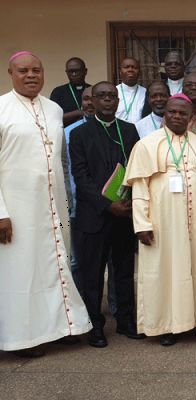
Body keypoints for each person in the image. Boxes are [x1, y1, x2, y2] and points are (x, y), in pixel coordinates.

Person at [0, 51, 91, 358]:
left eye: (36, 70)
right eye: (23, 70)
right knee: (22, 273)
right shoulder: (0, 108)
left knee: (55, 265)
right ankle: (23, 338)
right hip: (16, 208)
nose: (31, 75)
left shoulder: (53, 109)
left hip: (52, 206)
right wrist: (1, 213)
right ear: (11, 73)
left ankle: (61, 327)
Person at [124, 94, 196, 346]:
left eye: (182, 113)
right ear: (164, 114)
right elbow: (140, 189)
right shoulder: (146, 145)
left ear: (190, 118)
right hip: (162, 222)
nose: (177, 116)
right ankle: (165, 325)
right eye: (172, 112)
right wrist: (141, 224)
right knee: (165, 272)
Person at [69, 81, 143, 347]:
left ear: (118, 101)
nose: (108, 100)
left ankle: (125, 321)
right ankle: (95, 326)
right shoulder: (80, 134)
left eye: (112, 96)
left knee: (123, 271)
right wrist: (106, 204)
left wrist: (129, 201)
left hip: (123, 214)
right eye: (102, 96)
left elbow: (137, 168)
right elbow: (81, 177)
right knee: (92, 274)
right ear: (92, 101)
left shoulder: (129, 130)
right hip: (94, 216)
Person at [64, 86, 95, 291]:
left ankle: (113, 307)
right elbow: (64, 169)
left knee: (109, 260)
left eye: (94, 98)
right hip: (76, 204)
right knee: (76, 261)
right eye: (86, 99)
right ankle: (80, 311)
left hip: (106, 206)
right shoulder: (68, 132)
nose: (90, 103)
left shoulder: (118, 130)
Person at [50, 57, 90, 126]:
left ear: (85, 71)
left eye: (77, 71)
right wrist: (77, 113)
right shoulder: (58, 92)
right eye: (71, 71)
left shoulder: (92, 90)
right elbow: (53, 117)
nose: (74, 74)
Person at [116, 57, 146, 123]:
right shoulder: (114, 92)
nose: (130, 70)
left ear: (139, 72)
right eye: (126, 67)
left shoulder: (146, 93)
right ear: (120, 72)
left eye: (134, 67)